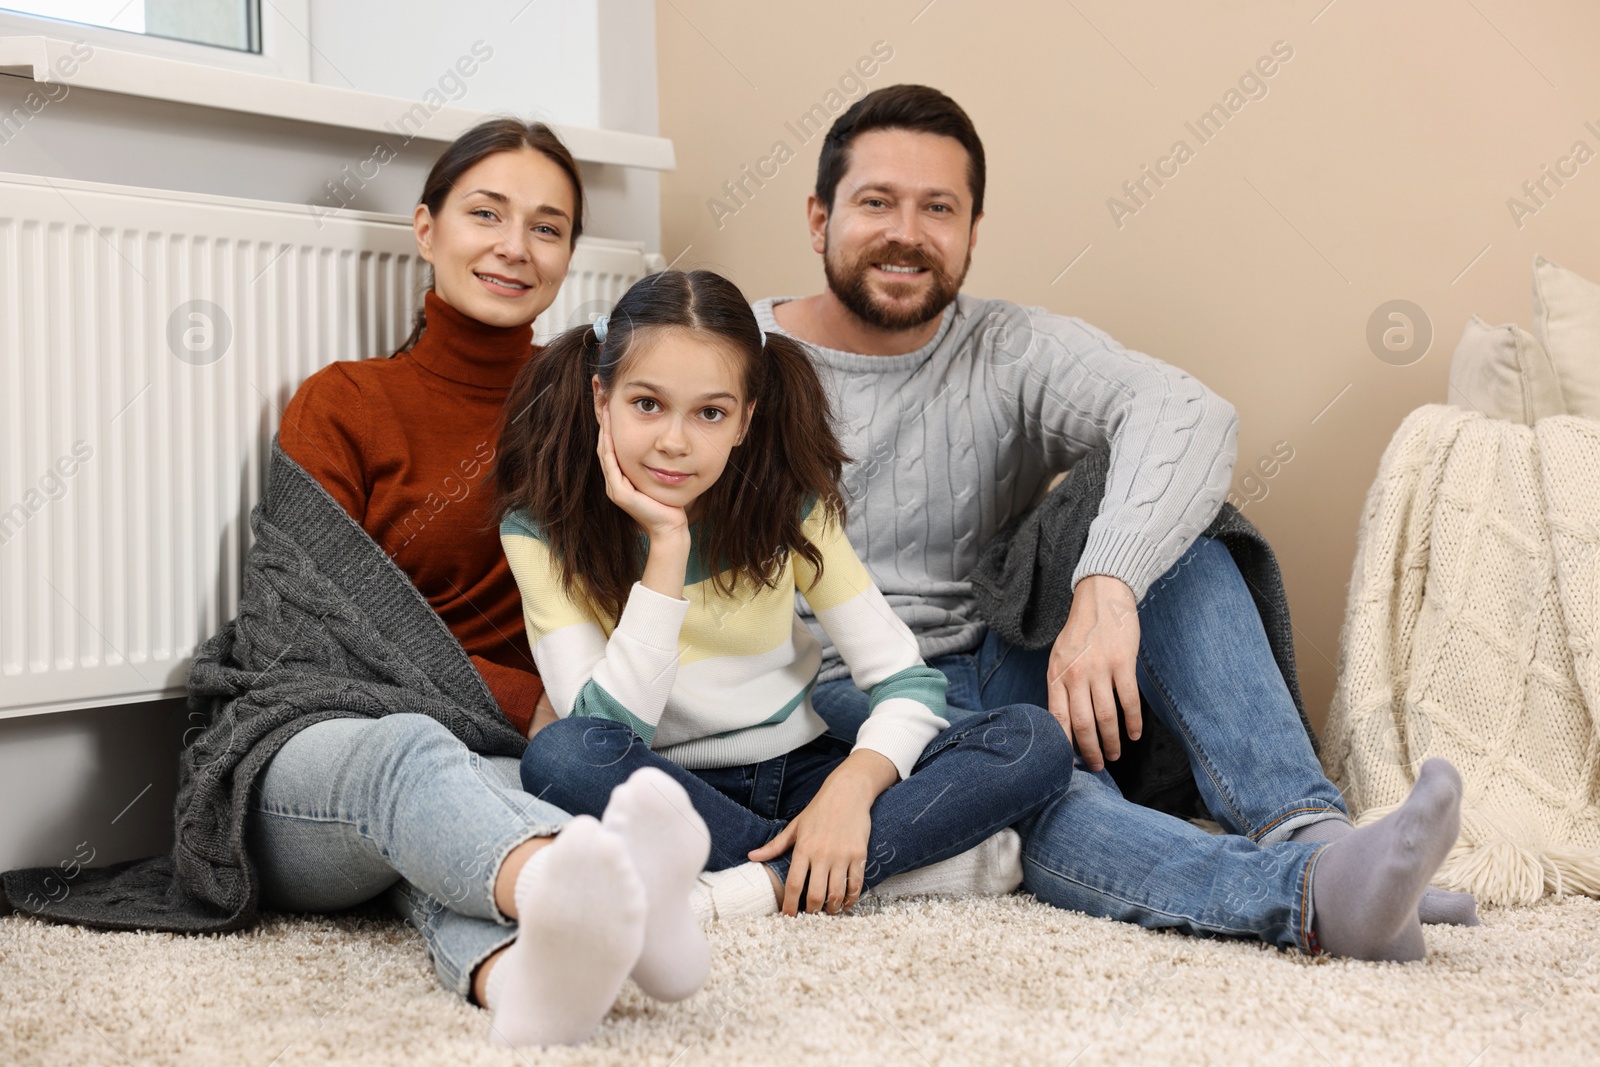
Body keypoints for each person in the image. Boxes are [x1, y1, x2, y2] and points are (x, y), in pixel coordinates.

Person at [753, 84, 1474, 961]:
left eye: (937, 207)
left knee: (1178, 527)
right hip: (852, 699)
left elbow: (1187, 409)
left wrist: (1107, 586)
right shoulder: (739, 361)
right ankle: (1320, 899)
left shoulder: (1004, 345)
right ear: (818, 216)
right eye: (877, 202)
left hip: (1006, 653)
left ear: (973, 232)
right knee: (1041, 793)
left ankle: (1310, 833)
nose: (907, 231)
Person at [255, 118, 711, 1045]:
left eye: (546, 228)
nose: (514, 247)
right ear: (426, 229)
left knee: (457, 836)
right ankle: (571, 890)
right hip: (312, 747)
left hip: (492, 760)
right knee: (416, 755)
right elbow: (297, 629)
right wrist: (516, 697)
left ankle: (518, 982)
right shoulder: (342, 401)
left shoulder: (597, 411)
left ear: (569, 255)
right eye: (486, 214)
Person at [499, 268, 1075, 918]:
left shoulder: (787, 506)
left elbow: (907, 684)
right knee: (559, 758)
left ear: (745, 419)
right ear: (601, 399)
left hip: (801, 769)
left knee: (1033, 738)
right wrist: (667, 547)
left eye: (710, 412)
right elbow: (605, 731)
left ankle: (755, 886)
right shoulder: (539, 531)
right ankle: (857, 872)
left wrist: (852, 788)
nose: (674, 441)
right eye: (647, 404)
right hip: (665, 794)